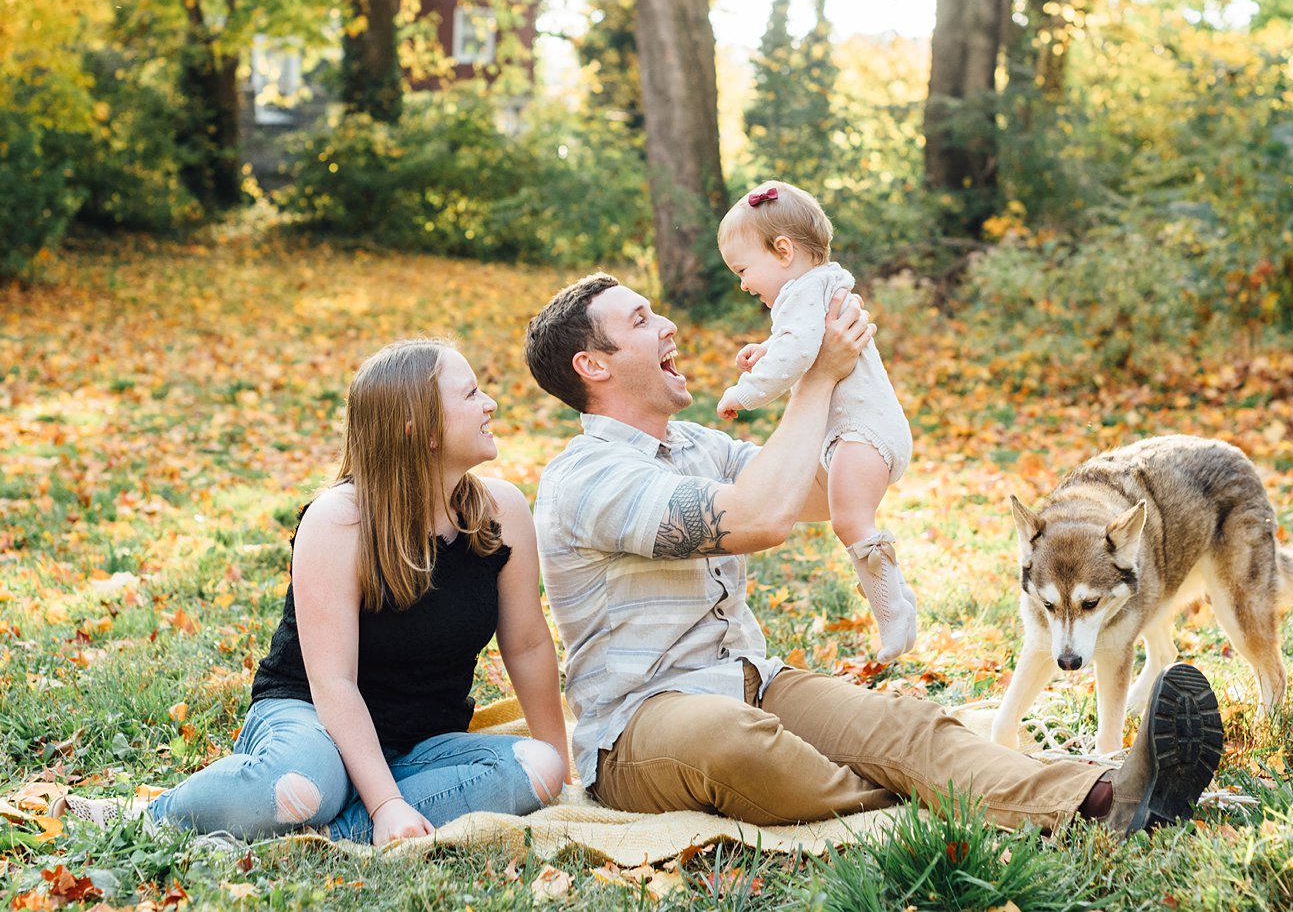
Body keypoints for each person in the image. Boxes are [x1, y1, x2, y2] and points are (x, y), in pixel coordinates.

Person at [522, 273, 1224, 837]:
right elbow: (762, 517)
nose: (667, 324)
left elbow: (828, 493)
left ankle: (1110, 796)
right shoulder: (585, 476)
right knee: (734, 741)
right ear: (593, 365)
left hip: (753, 680)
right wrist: (813, 381)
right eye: (641, 321)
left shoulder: (702, 446)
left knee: (903, 724)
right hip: (640, 726)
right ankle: (938, 785)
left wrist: (853, 380)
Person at [53, 339, 568, 845]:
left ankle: (318, 835)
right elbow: (334, 684)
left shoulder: (500, 513)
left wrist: (565, 775)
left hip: (419, 745)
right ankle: (145, 817)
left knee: (539, 769)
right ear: (422, 429)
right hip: (311, 721)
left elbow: (526, 645)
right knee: (307, 786)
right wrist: (388, 804)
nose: (490, 404)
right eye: (472, 393)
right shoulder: (339, 520)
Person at [715, 180, 916, 662]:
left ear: (783, 250)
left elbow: (801, 352)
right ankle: (889, 594)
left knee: (850, 519)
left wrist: (744, 392)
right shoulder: (818, 287)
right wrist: (766, 350)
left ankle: (895, 615)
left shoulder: (804, 292)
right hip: (860, 432)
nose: (743, 284)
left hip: (861, 434)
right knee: (847, 517)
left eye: (744, 270)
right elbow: (800, 346)